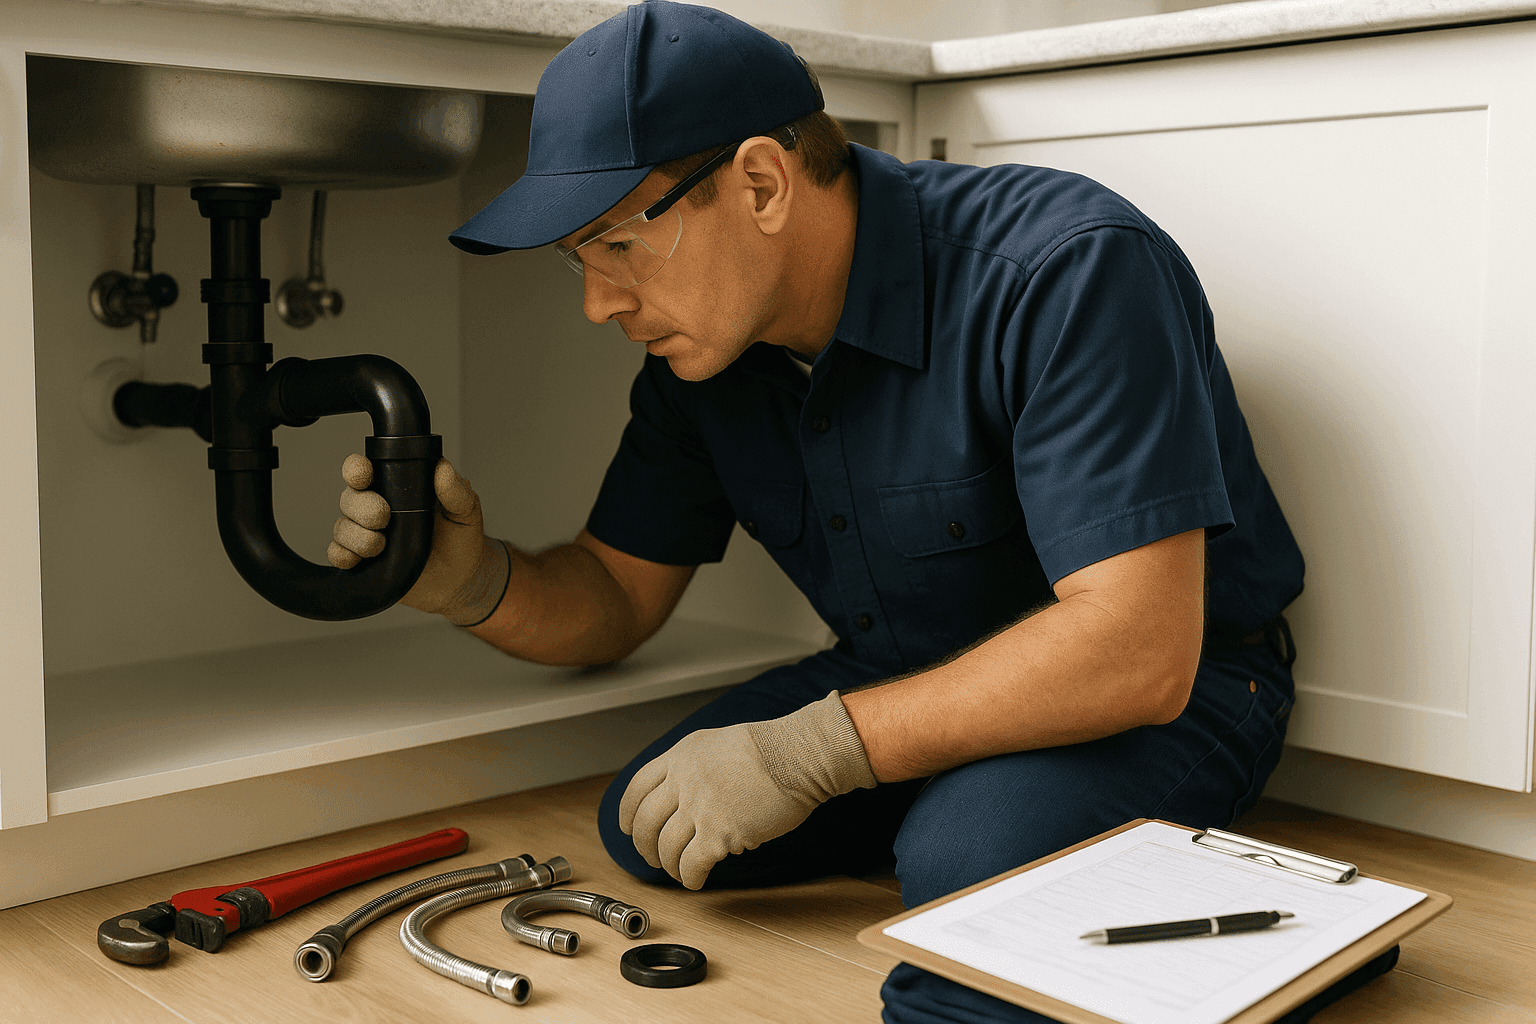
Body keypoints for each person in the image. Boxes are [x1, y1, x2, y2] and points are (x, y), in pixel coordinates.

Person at [327, 3, 1305, 1021]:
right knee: (649, 819)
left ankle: (1250, 932)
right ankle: (1000, 834)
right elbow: (615, 591)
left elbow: (1138, 648)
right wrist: (468, 581)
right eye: (576, 257)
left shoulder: (1066, 268)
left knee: (963, 862)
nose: (597, 303)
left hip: (1182, 685)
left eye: (616, 242)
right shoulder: (703, 362)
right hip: (909, 670)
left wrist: (810, 754)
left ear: (759, 182)